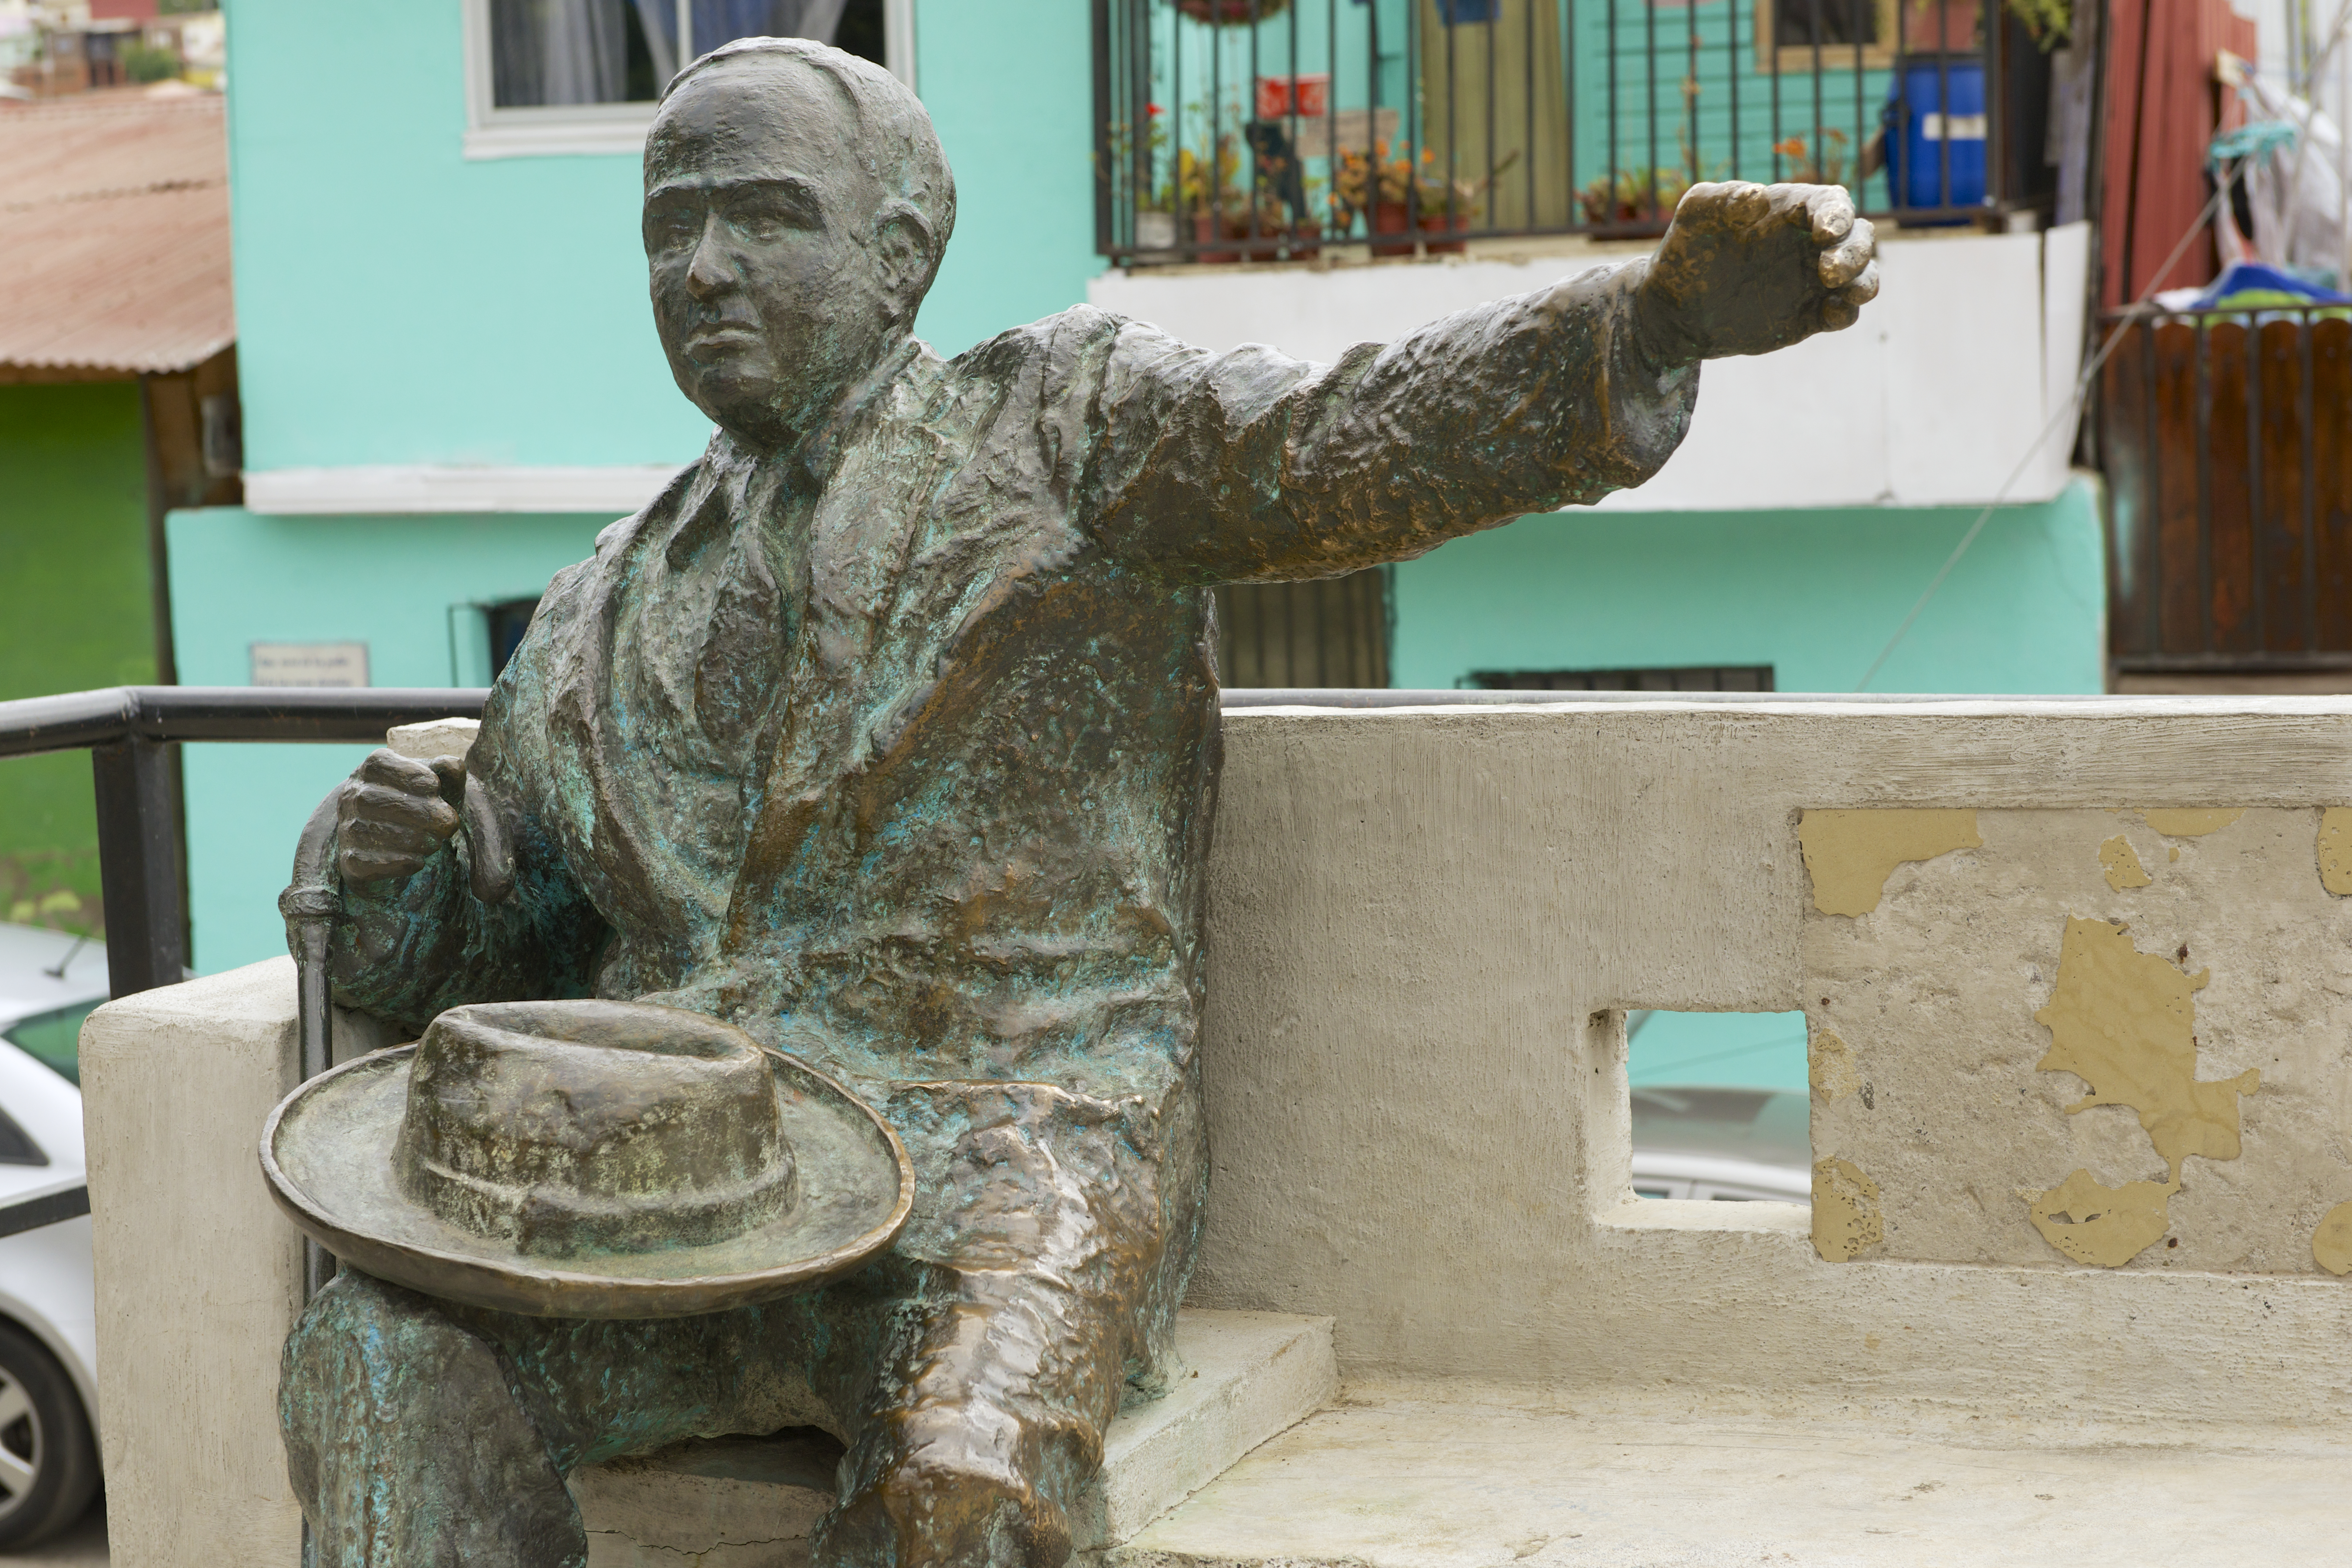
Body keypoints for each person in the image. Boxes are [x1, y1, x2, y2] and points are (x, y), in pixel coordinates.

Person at [283, 34, 1878, 1568]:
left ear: (900, 255)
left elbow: (1347, 440)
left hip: (1007, 1149)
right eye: (670, 228)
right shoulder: (591, 612)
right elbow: (498, 942)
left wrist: (1648, 325)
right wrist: (400, 880)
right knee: (378, 1350)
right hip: (701, 1185)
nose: (701, 271)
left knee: (963, 1489)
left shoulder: (1062, 426)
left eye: (765, 219)